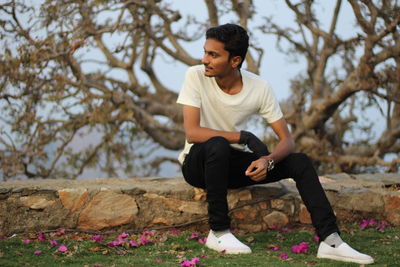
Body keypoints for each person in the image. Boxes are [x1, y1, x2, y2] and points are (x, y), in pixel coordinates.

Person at [176, 23, 374, 265]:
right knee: (217, 143)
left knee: (300, 161)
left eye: (213, 55)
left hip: (230, 166)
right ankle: (218, 232)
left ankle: (330, 241)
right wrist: (243, 137)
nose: (204, 59)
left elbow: (287, 140)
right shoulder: (195, 75)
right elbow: (193, 132)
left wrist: (266, 160)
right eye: (205, 52)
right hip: (198, 165)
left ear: (235, 60)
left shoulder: (259, 87)